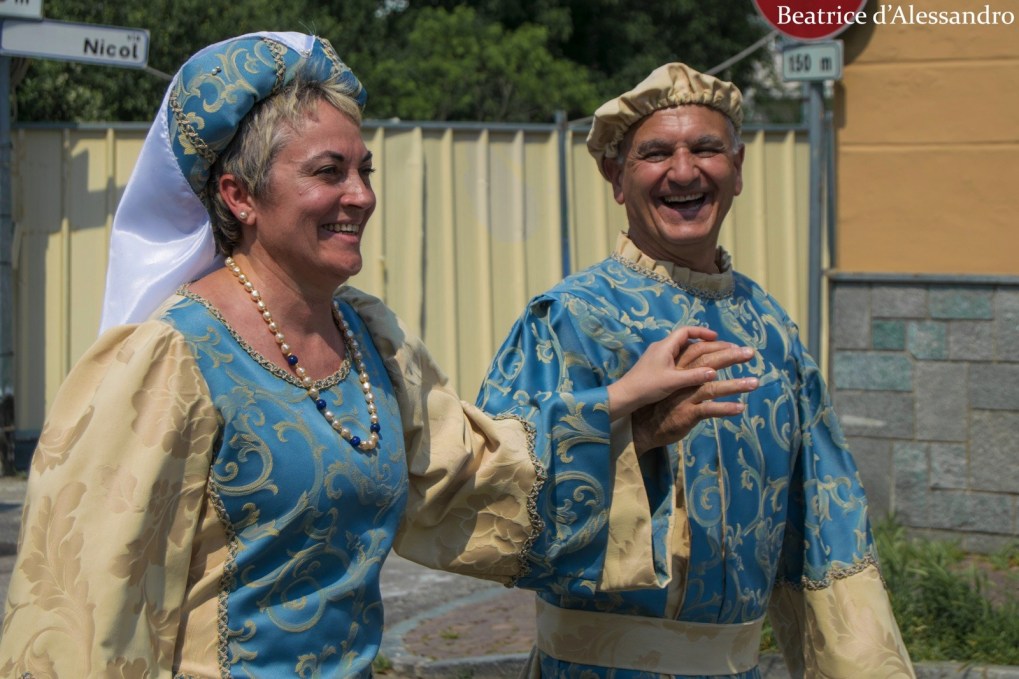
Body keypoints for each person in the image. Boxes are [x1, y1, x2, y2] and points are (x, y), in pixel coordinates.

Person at [0, 34, 757, 677]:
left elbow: (463, 484)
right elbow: (88, 606)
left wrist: (625, 413)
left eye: (363, 170)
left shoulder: (369, 337)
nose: (360, 195)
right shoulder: (170, 358)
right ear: (238, 194)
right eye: (328, 172)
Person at [476, 63, 916, 678]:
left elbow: (827, 526)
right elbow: (489, 498)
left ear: (737, 169)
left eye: (706, 149)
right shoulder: (568, 319)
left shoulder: (772, 330)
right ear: (616, 178)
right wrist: (635, 434)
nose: (684, 172)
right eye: (656, 153)